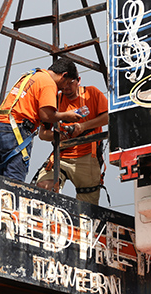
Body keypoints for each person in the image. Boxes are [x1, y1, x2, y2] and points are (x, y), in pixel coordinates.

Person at [0, 58, 82, 181]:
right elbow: (46, 115)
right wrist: (66, 115)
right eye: (67, 83)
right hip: (17, 130)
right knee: (14, 179)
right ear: (64, 76)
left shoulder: (33, 76)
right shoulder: (49, 83)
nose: (64, 88)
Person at [35, 76, 109, 204]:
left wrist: (82, 127)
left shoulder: (91, 93)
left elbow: (109, 117)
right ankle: (55, 219)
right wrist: (59, 135)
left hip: (87, 156)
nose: (66, 87)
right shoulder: (56, 100)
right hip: (62, 155)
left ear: (78, 80)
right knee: (44, 186)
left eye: (70, 82)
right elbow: (43, 134)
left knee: (88, 207)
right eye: (63, 84)